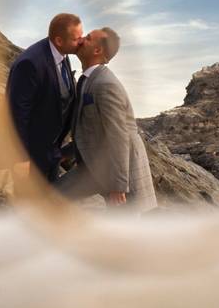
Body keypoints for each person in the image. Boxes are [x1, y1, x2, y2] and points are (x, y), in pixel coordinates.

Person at [56, 28, 157, 212]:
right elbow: (90, 129)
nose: (80, 39)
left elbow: (118, 136)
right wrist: (63, 153)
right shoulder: (87, 80)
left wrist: (118, 185)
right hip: (97, 165)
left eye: (87, 38)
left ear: (97, 51)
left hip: (122, 170)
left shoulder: (105, 85)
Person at [0, 13, 83, 185]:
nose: (81, 42)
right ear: (59, 40)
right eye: (77, 39)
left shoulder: (63, 56)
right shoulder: (30, 63)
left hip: (50, 152)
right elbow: (16, 114)